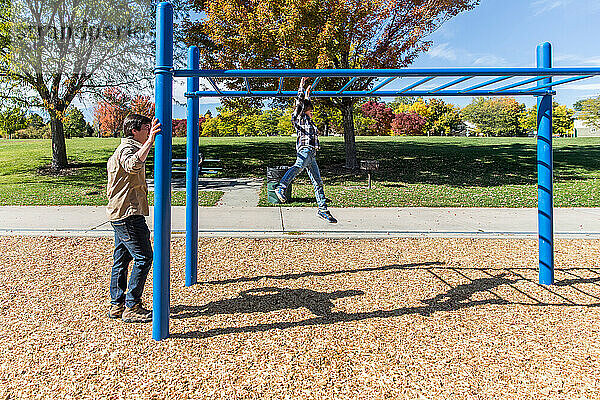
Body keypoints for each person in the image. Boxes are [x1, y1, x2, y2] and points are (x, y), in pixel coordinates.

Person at [106, 114, 161, 323]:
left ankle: (117, 305)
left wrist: (148, 141)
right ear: (133, 131)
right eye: (146, 128)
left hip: (119, 213)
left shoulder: (122, 148)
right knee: (144, 257)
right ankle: (132, 306)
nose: (150, 131)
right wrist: (149, 142)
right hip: (128, 214)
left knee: (121, 259)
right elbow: (132, 165)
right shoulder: (127, 150)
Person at [275, 77, 337, 223]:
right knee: (298, 166)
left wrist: (309, 94)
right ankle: (281, 186)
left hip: (312, 154)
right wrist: (301, 86)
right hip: (305, 150)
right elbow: (300, 103)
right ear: (305, 111)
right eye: (311, 111)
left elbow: (306, 103)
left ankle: (323, 209)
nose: (313, 113)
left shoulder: (308, 121)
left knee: (318, 182)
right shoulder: (299, 118)